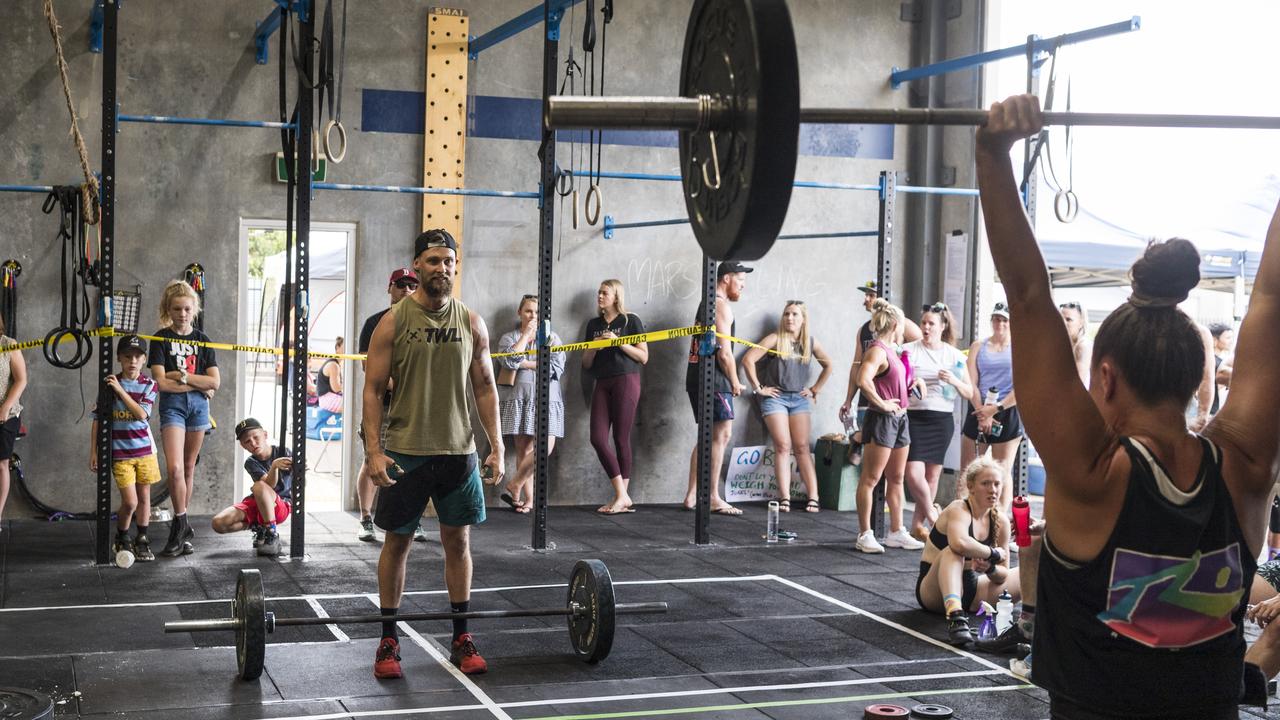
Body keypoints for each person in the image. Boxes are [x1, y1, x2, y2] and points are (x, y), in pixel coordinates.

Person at [975, 94, 1280, 717]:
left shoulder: (1093, 474)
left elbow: (1030, 296)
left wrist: (991, 151)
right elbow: (1275, 296)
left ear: (1106, 377)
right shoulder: (1246, 466)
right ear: (1195, 377)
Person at [363, 229, 504, 679]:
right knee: (397, 542)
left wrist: (496, 444)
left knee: (458, 542)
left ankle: (461, 636)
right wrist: (373, 451)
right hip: (406, 450)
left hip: (458, 450)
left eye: (448, 260)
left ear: (454, 266)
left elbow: (485, 387)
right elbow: (369, 390)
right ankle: (388, 639)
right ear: (417, 265)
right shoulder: (394, 322)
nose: (442, 268)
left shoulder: (471, 322)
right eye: (433, 260)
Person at [148, 279, 219, 557]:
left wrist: (184, 376)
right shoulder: (161, 338)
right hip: (174, 406)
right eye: (177, 309)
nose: (183, 314)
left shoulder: (203, 341)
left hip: (198, 408)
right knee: (175, 469)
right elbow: (161, 383)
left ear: (194, 309)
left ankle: (180, 527)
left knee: (189, 468)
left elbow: (216, 382)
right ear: (169, 309)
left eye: (187, 309)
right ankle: (181, 523)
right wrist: (198, 384)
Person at [845, 298, 922, 553]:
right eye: (902, 325)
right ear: (896, 325)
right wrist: (882, 402)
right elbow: (862, 378)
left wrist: (912, 385)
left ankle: (895, 531)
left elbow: (915, 335)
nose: (905, 332)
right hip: (882, 419)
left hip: (901, 419)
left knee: (896, 478)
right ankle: (864, 534)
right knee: (871, 478)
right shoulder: (877, 350)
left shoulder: (894, 351)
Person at [740, 301, 833, 512]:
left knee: (802, 447)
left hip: (799, 398)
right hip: (776, 398)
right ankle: (784, 498)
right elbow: (748, 360)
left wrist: (815, 389)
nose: (789, 318)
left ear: (803, 319)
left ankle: (813, 497)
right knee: (783, 446)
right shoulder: (774, 338)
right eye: (786, 314)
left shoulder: (810, 342)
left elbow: (828, 365)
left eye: (794, 315)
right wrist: (758, 388)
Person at [915, 458, 1018, 646]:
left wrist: (989, 568)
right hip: (934, 591)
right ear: (971, 486)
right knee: (952, 552)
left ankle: (1031, 623)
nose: (993, 489)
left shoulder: (1001, 521)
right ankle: (955, 617)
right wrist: (992, 553)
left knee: (1025, 571)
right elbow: (959, 543)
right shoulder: (958, 508)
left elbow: (1002, 574)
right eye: (985, 483)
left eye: (997, 484)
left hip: (972, 590)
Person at [683, 262, 752, 516]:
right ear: (725, 279)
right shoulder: (720, 306)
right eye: (741, 279)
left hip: (697, 375)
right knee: (720, 436)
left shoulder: (707, 303)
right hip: (715, 379)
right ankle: (712, 496)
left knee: (707, 435)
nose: (743, 285)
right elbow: (724, 353)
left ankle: (692, 495)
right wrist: (734, 380)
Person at [355, 267, 418, 542]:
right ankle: (366, 518)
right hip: (384, 405)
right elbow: (369, 369)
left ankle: (411, 520)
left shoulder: (423, 322)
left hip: (414, 408)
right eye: (401, 285)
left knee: (412, 465)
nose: (406, 290)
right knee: (373, 460)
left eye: (411, 286)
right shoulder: (374, 323)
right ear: (389, 288)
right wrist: (407, 386)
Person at [904, 303, 971, 540]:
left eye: (931, 323)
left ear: (943, 327)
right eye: (923, 323)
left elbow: (969, 392)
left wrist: (953, 379)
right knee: (913, 473)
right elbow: (899, 381)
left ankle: (917, 526)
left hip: (941, 419)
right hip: (914, 416)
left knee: (932, 476)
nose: (926, 327)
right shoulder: (909, 350)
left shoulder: (953, 355)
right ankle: (934, 517)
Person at [91, 335, 160, 562]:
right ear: (119, 358)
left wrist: (121, 391)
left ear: (144, 360)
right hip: (120, 453)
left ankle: (141, 538)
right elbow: (98, 419)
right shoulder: (108, 384)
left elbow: (141, 414)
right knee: (130, 502)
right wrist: (94, 451)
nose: (132, 361)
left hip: (145, 451)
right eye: (128, 356)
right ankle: (122, 535)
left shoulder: (149, 385)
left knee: (144, 497)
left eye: (138, 356)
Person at [583, 279, 648, 515]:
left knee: (621, 438)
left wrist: (618, 343)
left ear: (616, 296)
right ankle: (622, 495)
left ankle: (621, 497)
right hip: (602, 381)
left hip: (626, 380)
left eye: (604, 293)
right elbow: (586, 363)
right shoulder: (593, 324)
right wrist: (594, 347)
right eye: (598, 292)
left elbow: (643, 357)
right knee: (598, 438)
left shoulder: (630, 320)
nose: (599, 296)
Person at [496, 294, 566, 513]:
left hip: (548, 399)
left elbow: (555, 368)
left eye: (537, 312)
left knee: (544, 446)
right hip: (520, 398)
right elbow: (507, 360)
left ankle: (514, 484)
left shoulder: (552, 338)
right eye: (528, 311)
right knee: (523, 449)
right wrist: (526, 337)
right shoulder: (510, 338)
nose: (533, 315)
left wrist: (522, 363)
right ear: (520, 312)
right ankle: (527, 500)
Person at [959, 302, 1022, 511]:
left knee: (1003, 470)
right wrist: (982, 413)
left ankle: (1000, 523)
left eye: (1004, 319)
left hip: (1007, 410)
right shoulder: (979, 346)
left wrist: (996, 410)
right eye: (996, 319)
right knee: (969, 469)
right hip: (979, 409)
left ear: (1011, 322)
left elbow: (1022, 387)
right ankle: (963, 518)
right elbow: (972, 383)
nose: (1000, 323)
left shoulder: (1020, 348)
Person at [212, 418, 292, 557]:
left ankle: (271, 533)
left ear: (265, 435)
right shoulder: (251, 462)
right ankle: (258, 527)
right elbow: (269, 484)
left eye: (256, 437)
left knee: (258, 486)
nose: (253, 443)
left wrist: (301, 466)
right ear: (243, 446)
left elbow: (299, 474)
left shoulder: (284, 451)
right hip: (258, 501)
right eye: (247, 441)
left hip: (280, 506)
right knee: (218, 523)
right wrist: (274, 466)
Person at [0, 316, 26, 531]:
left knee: (0, 464)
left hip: (5, 416)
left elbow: (21, 379)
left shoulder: (8, 344)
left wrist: (5, 407)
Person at [1059, 300, 1091, 385]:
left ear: (1081, 323)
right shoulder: (1066, 346)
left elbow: (1078, 384)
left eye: (1068, 319)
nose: (1063, 323)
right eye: (1061, 319)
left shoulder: (1082, 346)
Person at [1208, 321, 1234, 415]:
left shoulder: (1220, 360)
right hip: (1210, 410)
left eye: (1231, 338)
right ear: (1215, 340)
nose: (1231, 341)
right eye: (1227, 338)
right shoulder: (1212, 362)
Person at [315, 337, 344, 414]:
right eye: (345, 346)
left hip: (327, 398)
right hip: (328, 399)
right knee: (353, 405)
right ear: (337, 348)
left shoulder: (335, 364)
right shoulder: (333, 365)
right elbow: (336, 388)